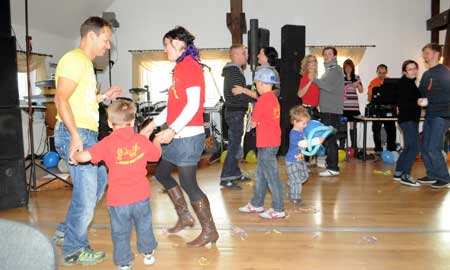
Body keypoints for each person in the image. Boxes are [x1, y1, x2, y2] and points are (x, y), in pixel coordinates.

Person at [140, 26, 219, 247]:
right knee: (163, 174)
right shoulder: (180, 68)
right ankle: (185, 216)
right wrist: (153, 124)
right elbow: (174, 105)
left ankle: (209, 231)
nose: (165, 50)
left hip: (188, 136)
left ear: (177, 43)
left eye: (166, 44)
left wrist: (172, 129)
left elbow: (194, 105)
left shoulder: (190, 67)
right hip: (178, 135)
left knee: (188, 183)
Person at [53, 16, 122, 266]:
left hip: (87, 133)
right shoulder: (75, 59)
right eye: (105, 40)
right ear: (91, 36)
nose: (107, 46)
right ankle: (73, 249)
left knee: (98, 182)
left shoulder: (85, 64)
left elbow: (79, 100)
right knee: (86, 194)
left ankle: (65, 230)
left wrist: (102, 96)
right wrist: (75, 137)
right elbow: (61, 99)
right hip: (77, 133)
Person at [73, 100, 161, 270]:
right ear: (134, 121)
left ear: (109, 123)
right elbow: (156, 156)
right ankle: (148, 253)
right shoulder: (140, 141)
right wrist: (156, 140)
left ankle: (124, 263)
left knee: (120, 232)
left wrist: (75, 155)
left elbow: (84, 158)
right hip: (141, 196)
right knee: (144, 225)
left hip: (118, 200)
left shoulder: (107, 143)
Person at [238, 68, 285, 219]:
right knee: (260, 174)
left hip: (267, 143)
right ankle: (257, 203)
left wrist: (248, 124)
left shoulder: (263, 100)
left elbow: (253, 122)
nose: (256, 87)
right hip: (271, 142)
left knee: (272, 176)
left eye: (256, 84)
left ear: (262, 84)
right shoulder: (273, 99)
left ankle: (278, 208)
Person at [219, 44, 256, 190]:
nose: (246, 56)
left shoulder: (234, 71)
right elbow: (237, 94)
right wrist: (254, 96)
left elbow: (239, 91)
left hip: (236, 113)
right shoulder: (233, 72)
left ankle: (235, 173)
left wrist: (246, 90)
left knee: (236, 146)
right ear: (235, 55)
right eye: (244, 53)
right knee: (234, 147)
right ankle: (226, 178)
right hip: (235, 113)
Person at [416, 43, 450, 188]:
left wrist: (430, 100)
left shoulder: (445, 72)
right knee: (425, 147)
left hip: (442, 116)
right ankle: (431, 175)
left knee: (433, 147)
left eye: (427, 53)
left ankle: (444, 177)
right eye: (424, 53)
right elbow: (421, 92)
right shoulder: (427, 74)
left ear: (436, 54)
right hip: (430, 115)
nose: (424, 56)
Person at [314, 47, 344, 177]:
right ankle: (330, 163)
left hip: (331, 110)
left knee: (330, 138)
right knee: (328, 137)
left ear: (335, 57)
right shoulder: (329, 71)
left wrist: (313, 78)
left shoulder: (336, 70)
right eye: (324, 54)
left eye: (329, 54)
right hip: (328, 110)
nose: (326, 56)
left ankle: (333, 167)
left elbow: (328, 86)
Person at [393, 60, 421, 187]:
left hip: (408, 120)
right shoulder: (405, 83)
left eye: (415, 68)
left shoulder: (409, 82)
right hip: (408, 120)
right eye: (410, 69)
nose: (413, 71)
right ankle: (406, 175)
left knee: (408, 147)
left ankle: (398, 172)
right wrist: (418, 102)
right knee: (414, 147)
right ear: (405, 72)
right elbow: (404, 103)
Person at [285, 106, 311, 206]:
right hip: (292, 161)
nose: (305, 125)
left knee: (304, 177)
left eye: (306, 123)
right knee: (297, 181)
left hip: (300, 160)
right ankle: (296, 198)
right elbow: (300, 145)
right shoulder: (294, 133)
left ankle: (291, 183)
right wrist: (313, 142)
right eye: (303, 123)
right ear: (295, 121)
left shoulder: (302, 131)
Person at [368, 64, 397, 154]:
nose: (381, 75)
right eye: (380, 73)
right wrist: (376, 96)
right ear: (377, 72)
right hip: (377, 109)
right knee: (376, 130)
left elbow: (396, 97)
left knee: (391, 129)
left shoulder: (392, 82)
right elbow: (369, 98)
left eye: (383, 73)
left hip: (389, 109)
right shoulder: (373, 82)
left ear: (386, 72)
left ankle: (391, 149)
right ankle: (378, 150)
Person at [342, 59, 363, 149]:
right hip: (343, 107)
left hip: (353, 107)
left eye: (349, 67)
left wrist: (357, 85)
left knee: (353, 125)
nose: (348, 69)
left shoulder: (357, 77)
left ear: (352, 68)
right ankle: (342, 146)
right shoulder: (341, 78)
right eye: (346, 67)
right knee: (342, 126)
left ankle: (354, 146)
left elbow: (361, 90)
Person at [298, 54, 320, 120]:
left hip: (314, 110)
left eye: (314, 60)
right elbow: (300, 94)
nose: (314, 62)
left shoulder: (315, 78)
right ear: (307, 65)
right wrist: (310, 81)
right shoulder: (305, 77)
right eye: (310, 61)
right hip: (308, 111)